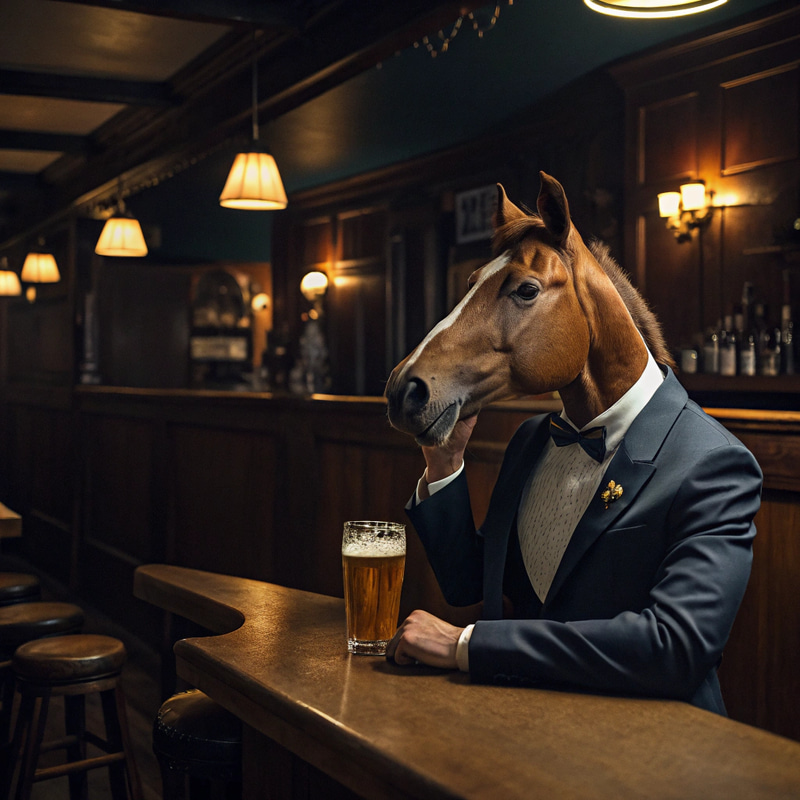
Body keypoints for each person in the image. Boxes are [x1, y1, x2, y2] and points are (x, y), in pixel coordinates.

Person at [386, 355, 763, 715]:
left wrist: (465, 645)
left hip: (658, 748)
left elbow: (675, 649)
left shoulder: (714, 459)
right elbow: (472, 585)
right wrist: (444, 462)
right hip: (520, 724)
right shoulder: (531, 438)